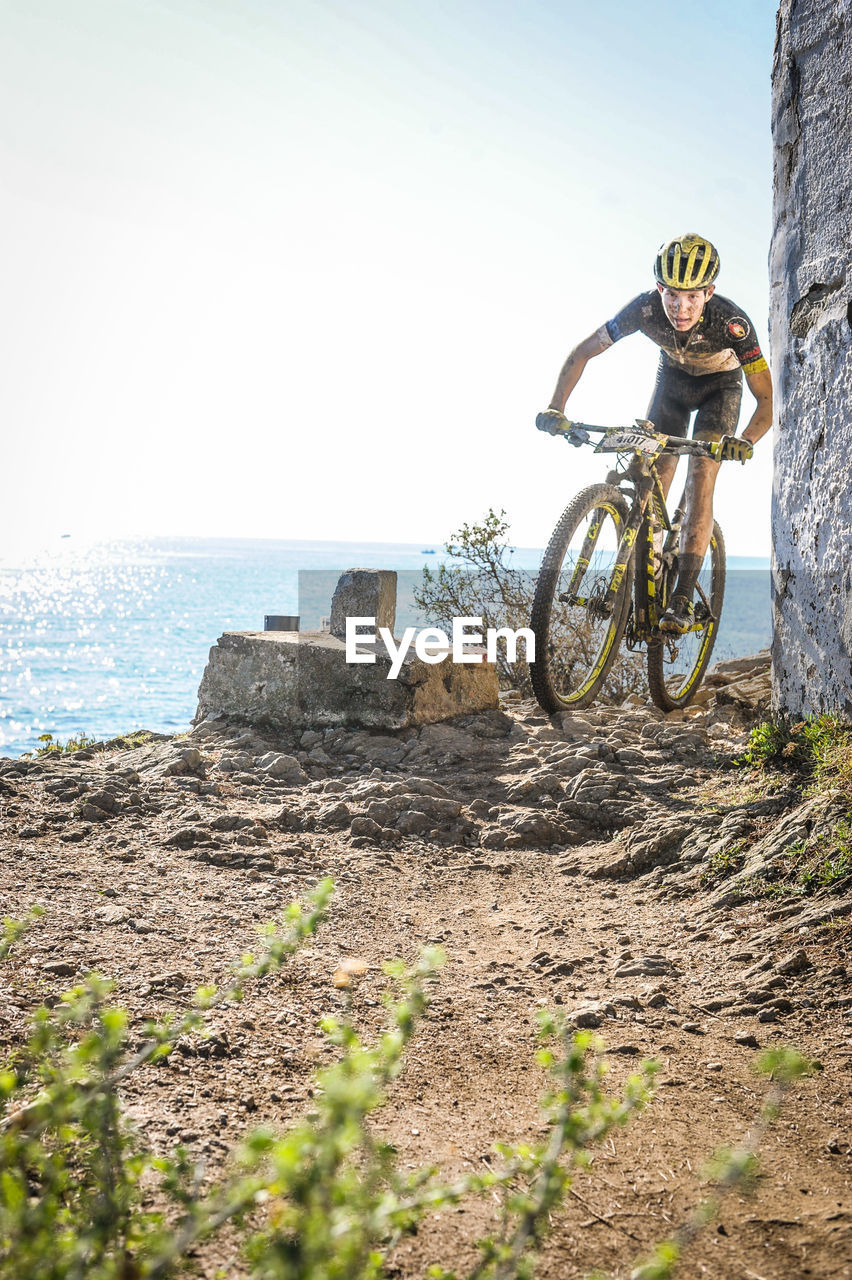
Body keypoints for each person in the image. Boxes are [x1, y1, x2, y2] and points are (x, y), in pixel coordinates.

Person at [536, 233, 773, 633]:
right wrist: (556, 407)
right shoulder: (644, 309)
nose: (681, 309)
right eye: (673, 297)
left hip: (721, 390)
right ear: (660, 290)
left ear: (709, 292)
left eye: (693, 298)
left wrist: (744, 441)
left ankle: (681, 599)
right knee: (654, 475)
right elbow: (584, 352)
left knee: (701, 475)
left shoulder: (733, 324)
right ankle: (651, 565)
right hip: (673, 387)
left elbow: (766, 399)